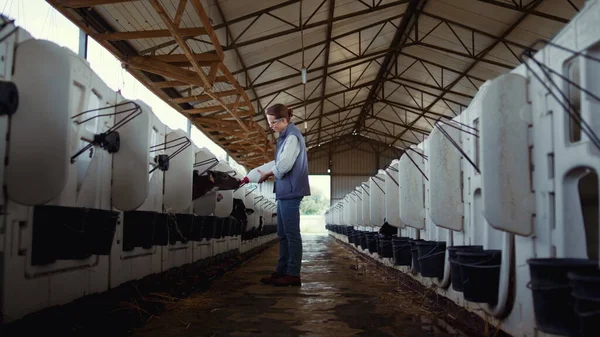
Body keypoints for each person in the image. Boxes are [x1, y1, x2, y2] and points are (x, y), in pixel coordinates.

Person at [255, 103, 310, 287]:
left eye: (273, 123)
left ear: (284, 120)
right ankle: (282, 271)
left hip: (291, 191)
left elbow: (285, 165)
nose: (271, 126)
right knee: (283, 233)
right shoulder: (285, 137)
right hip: (284, 191)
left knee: (291, 233)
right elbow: (281, 161)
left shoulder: (292, 137)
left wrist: (268, 173)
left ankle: (293, 274)